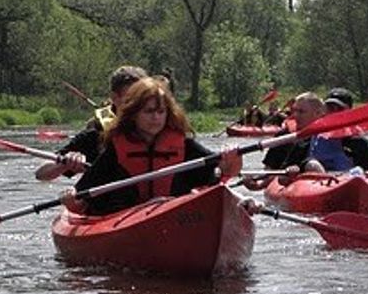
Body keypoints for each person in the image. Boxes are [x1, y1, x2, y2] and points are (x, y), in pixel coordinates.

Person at [60, 76, 242, 215]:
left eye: (160, 111)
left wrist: (231, 162)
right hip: (125, 216)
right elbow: (84, 193)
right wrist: (72, 200)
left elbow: (221, 176)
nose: (156, 118)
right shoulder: (117, 148)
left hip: (175, 215)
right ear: (133, 115)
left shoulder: (184, 144)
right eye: (148, 111)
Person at [35, 65, 148, 181]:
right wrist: (64, 165)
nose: (137, 105)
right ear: (115, 98)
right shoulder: (96, 136)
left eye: (142, 99)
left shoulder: (159, 129)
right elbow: (41, 174)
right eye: (130, 99)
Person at [323, 87, 368, 172]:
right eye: (330, 108)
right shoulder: (311, 140)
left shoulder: (361, 144)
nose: (334, 112)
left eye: (339, 108)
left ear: (350, 113)